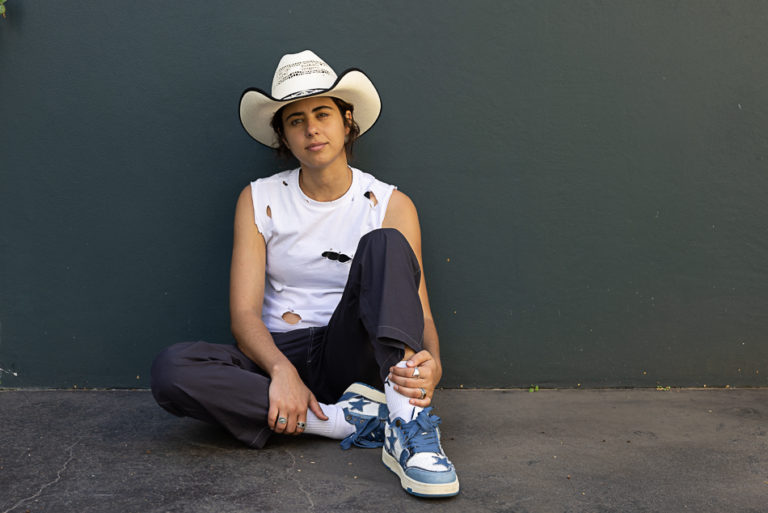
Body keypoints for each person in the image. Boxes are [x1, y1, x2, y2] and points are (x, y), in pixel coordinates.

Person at [150, 50, 459, 498]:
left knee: (385, 242)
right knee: (172, 370)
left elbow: (420, 313)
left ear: (347, 122)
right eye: (296, 121)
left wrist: (435, 364)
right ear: (284, 138)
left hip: (353, 355)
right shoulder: (258, 199)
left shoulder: (391, 203)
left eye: (322, 114)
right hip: (279, 353)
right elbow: (243, 315)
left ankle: (408, 426)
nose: (312, 129)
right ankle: (340, 421)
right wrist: (281, 371)